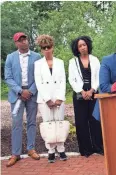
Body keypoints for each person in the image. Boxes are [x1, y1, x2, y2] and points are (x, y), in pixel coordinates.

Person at [4, 32, 41, 167]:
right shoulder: (10, 57)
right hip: (17, 95)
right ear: (16, 43)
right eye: (20, 40)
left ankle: (31, 149)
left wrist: (30, 91)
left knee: (32, 122)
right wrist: (20, 91)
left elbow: (39, 76)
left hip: (31, 94)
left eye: (25, 39)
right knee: (16, 124)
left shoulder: (37, 57)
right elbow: (8, 77)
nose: (24, 41)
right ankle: (16, 153)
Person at [34, 35, 68, 163]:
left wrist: (59, 98)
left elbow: (62, 81)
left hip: (58, 98)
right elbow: (39, 82)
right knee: (48, 124)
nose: (47, 49)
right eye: (44, 48)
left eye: (49, 47)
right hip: (44, 100)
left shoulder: (60, 62)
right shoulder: (37, 64)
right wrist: (47, 99)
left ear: (52, 47)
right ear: (41, 50)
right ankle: (51, 150)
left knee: (59, 122)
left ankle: (61, 149)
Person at [68, 36, 103, 157]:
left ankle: (98, 147)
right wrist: (82, 91)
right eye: (80, 46)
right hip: (79, 94)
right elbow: (71, 79)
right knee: (81, 121)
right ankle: (85, 149)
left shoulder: (95, 60)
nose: (83, 47)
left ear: (88, 45)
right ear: (77, 48)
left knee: (95, 120)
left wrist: (92, 90)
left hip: (94, 93)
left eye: (84, 45)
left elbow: (99, 77)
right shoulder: (73, 62)